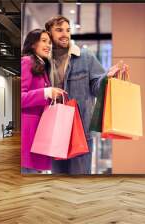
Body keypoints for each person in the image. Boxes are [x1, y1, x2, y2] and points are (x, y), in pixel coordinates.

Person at [45, 15, 125, 174]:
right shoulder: (44, 62)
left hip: (81, 130)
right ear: (49, 33)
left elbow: (96, 87)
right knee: (57, 178)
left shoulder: (85, 57)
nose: (65, 34)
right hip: (54, 130)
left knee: (80, 179)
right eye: (59, 30)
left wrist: (107, 77)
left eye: (68, 30)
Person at [21, 29, 66, 174]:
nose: (48, 45)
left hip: (38, 131)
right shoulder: (27, 61)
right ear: (33, 44)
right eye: (44, 41)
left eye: (49, 42)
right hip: (30, 132)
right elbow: (20, 97)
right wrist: (46, 92)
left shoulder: (40, 65)